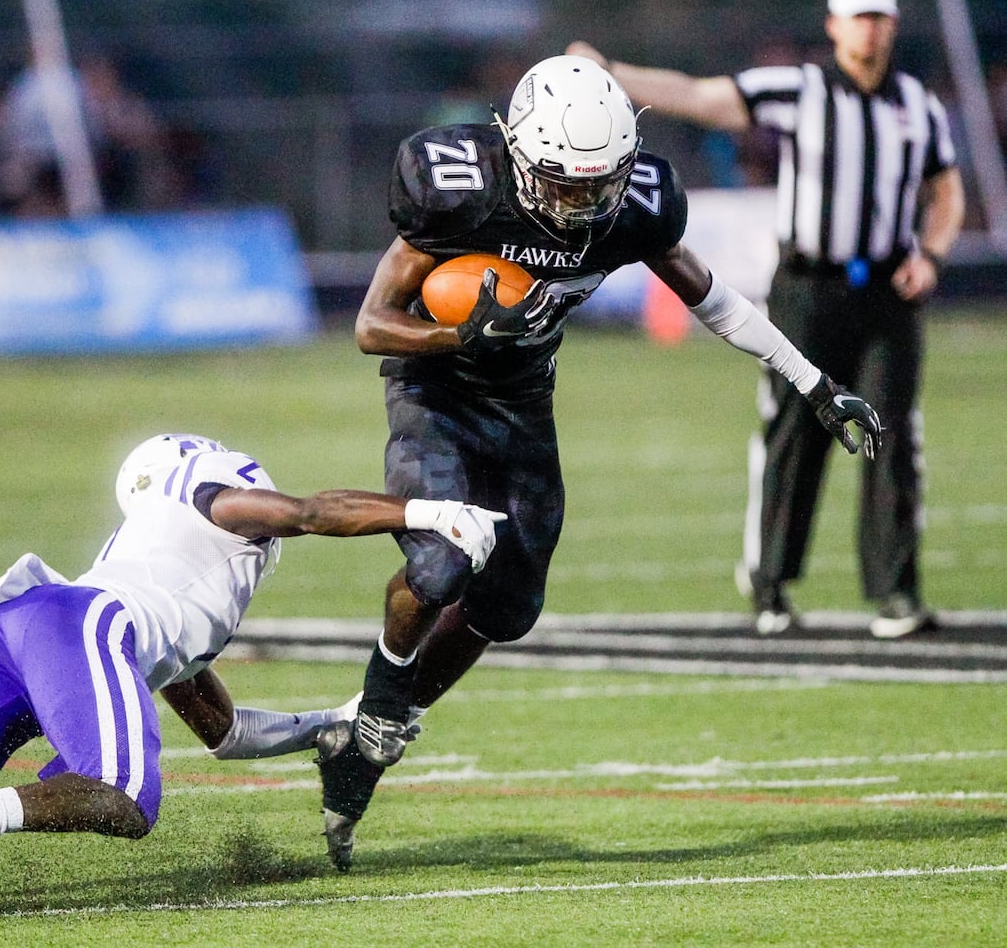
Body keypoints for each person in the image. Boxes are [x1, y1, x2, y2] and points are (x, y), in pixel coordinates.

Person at [314, 53, 882, 872]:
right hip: (434, 394)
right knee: (440, 566)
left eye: (597, 183)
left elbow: (714, 300)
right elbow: (372, 323)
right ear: (515, 151)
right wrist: (460, 334)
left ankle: (373, 730)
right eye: (563, 183)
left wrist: (816, 383)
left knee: (508, 605)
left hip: (521, 404)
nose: (580, 202)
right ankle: (374, 709)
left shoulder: (635, 208)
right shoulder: (459, 191)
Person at [0, 433, 504, 912]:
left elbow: (223, 733)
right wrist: (425, 512)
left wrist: (320, 726)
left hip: (28, 625)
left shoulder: (166, 578)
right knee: (125, 796)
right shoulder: (204, 502)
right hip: (80, 625)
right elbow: (307, 513)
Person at [569, 0, 965, 641]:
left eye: (879, 18)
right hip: (809, 288)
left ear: (891, 26)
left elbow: (946, 192)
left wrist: (930, 255)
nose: (868, 31)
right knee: (792, 428)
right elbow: (697, 95)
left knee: (891, 434)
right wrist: (608, 71)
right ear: (834, 25)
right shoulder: (800, 89)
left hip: (888, 296)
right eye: (857, 18)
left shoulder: (916, 105)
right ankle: (769, 582)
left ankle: (895, 590)